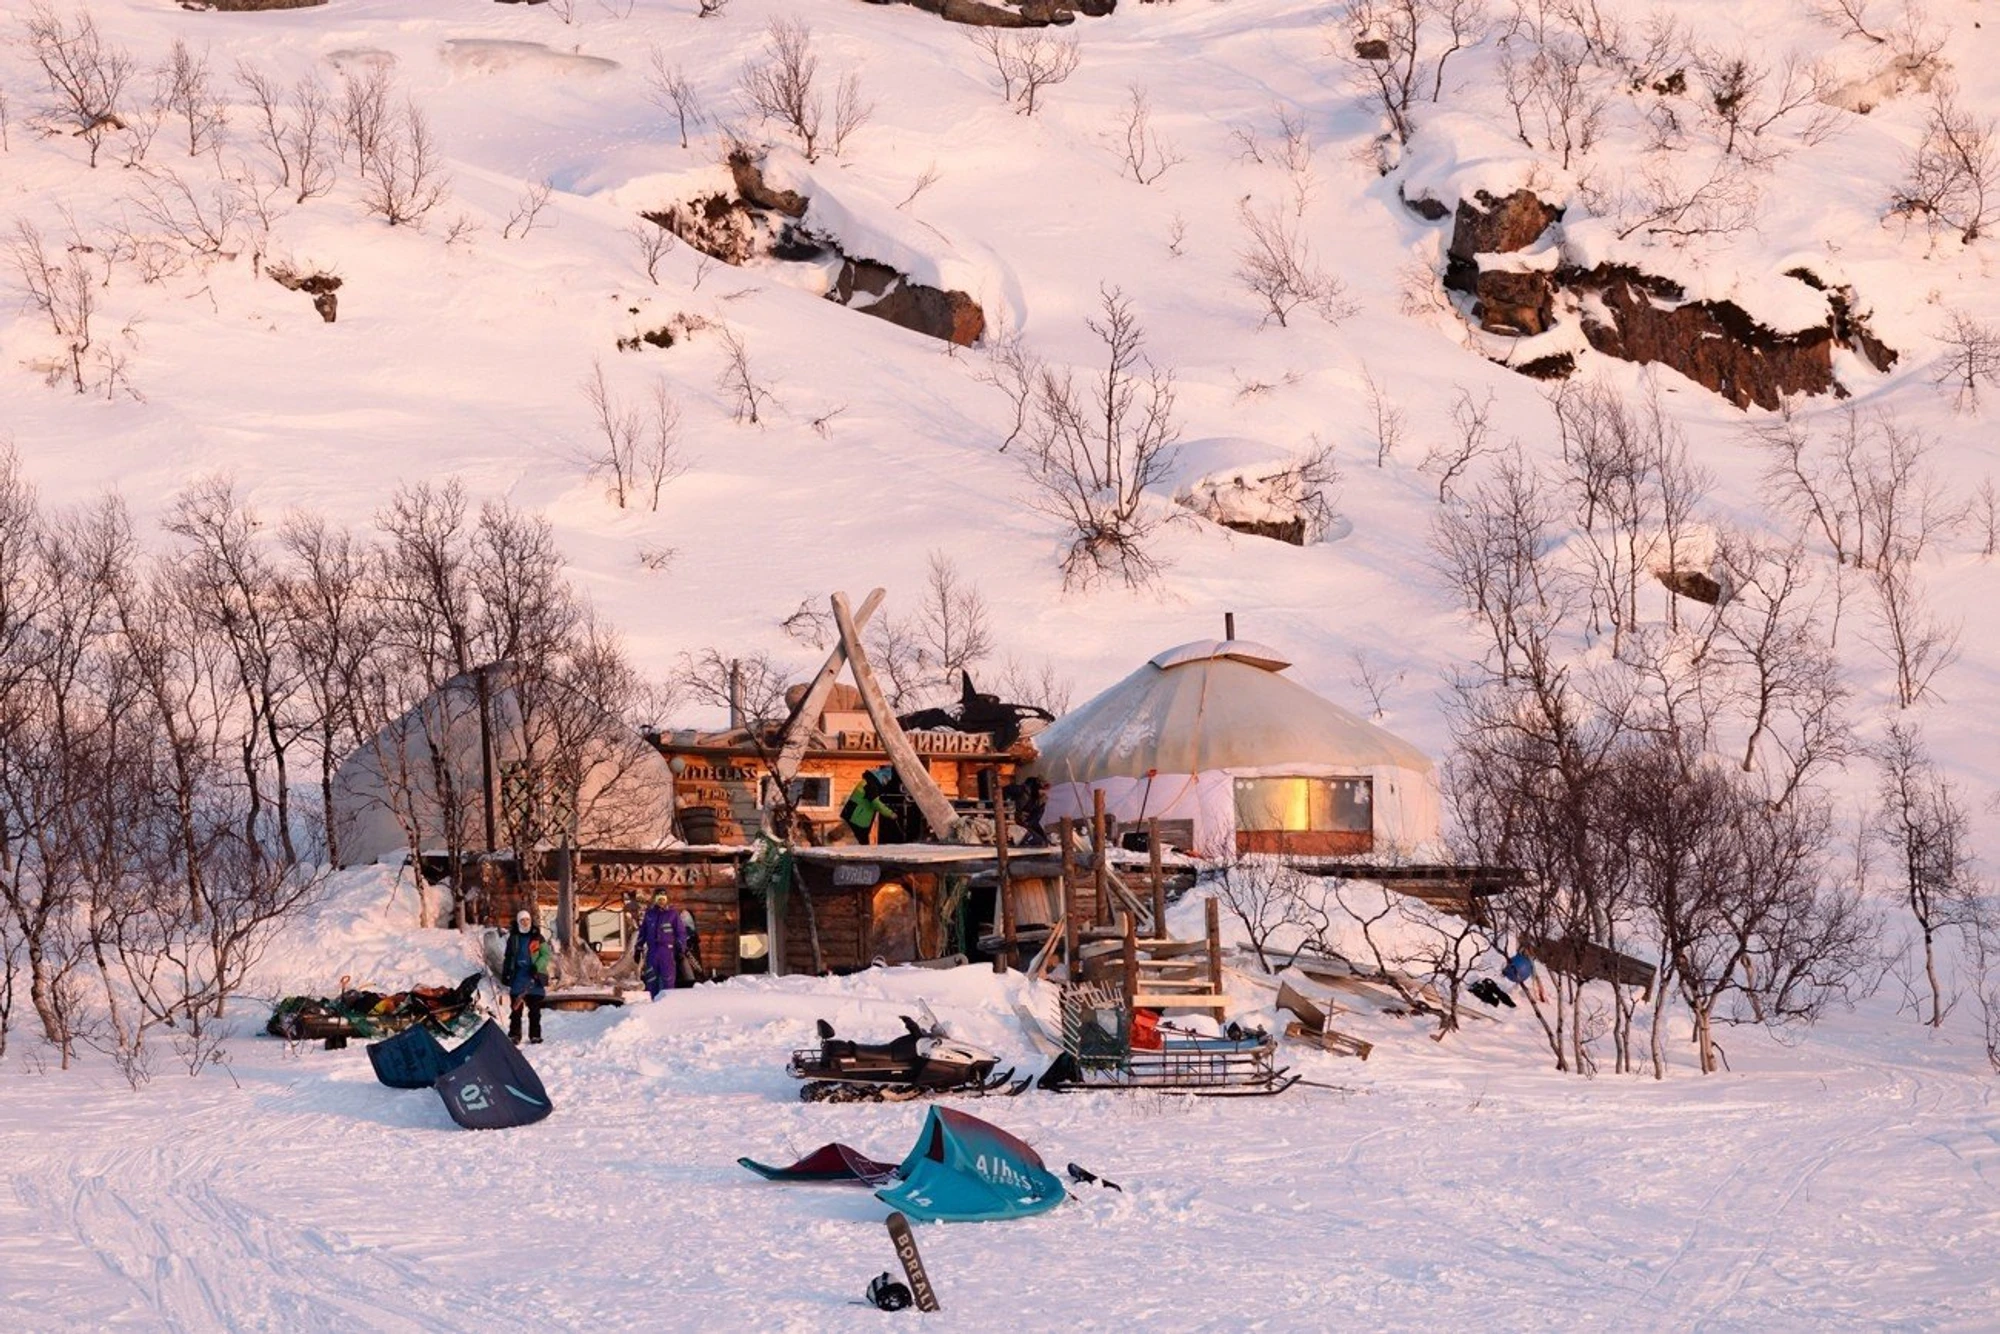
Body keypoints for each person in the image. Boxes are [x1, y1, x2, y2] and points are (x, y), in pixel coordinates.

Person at [501, 909, 552, 1043]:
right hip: (518, 977)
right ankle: (514, 1035)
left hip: (534, 977)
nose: (525, 922)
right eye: (522, 920)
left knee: (535, 1010)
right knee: (516, 1009)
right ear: (518, 922)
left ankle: (535, 1035)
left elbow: (546, 955)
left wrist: (537, 966)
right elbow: (508, 957)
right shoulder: (513, 938)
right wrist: (505, 973)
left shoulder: (537, 937)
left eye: (527, 920)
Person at [634, 891, 691, 1000]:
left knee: (668, 981)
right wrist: (638, 948)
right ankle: (654, 1005)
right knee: (651, 980)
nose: (661, 902)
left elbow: (681, 933)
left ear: (666, 900)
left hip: (667, 952)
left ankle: (667, 1006)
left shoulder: (672, 914)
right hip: (652, 952)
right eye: (659, 899)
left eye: (663, 899)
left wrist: (680, 948)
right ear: (655, 900)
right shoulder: (650, 914)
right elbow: (643, 933)